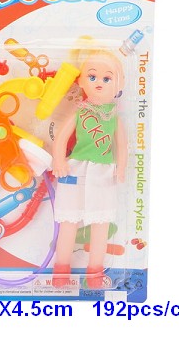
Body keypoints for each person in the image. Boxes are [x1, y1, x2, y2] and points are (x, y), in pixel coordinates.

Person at [51, 49, 127, 288]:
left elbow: (122, 145)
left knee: (101, 224)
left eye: (107, 78)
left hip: (103, 172)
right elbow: (61, 137)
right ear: (82, 81)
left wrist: (121, 168)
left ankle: (95, 272)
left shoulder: (114, 118)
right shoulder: (80, 111)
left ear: (119, 84)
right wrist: (59, 160)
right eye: (92, 77)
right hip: (75, 169)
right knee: (68, 221)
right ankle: (61, 271)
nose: (99, 83)